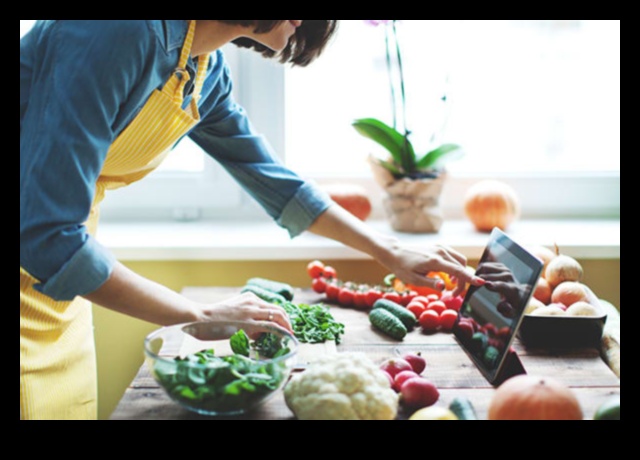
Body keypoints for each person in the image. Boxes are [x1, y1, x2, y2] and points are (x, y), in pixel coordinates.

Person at [20, 20, 483, 420]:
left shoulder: (201, 68)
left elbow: (275, 182)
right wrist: (201, 315)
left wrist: (388, 248)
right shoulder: (115, 32)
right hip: (47, 253)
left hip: (58, 291)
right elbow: (48, 234)